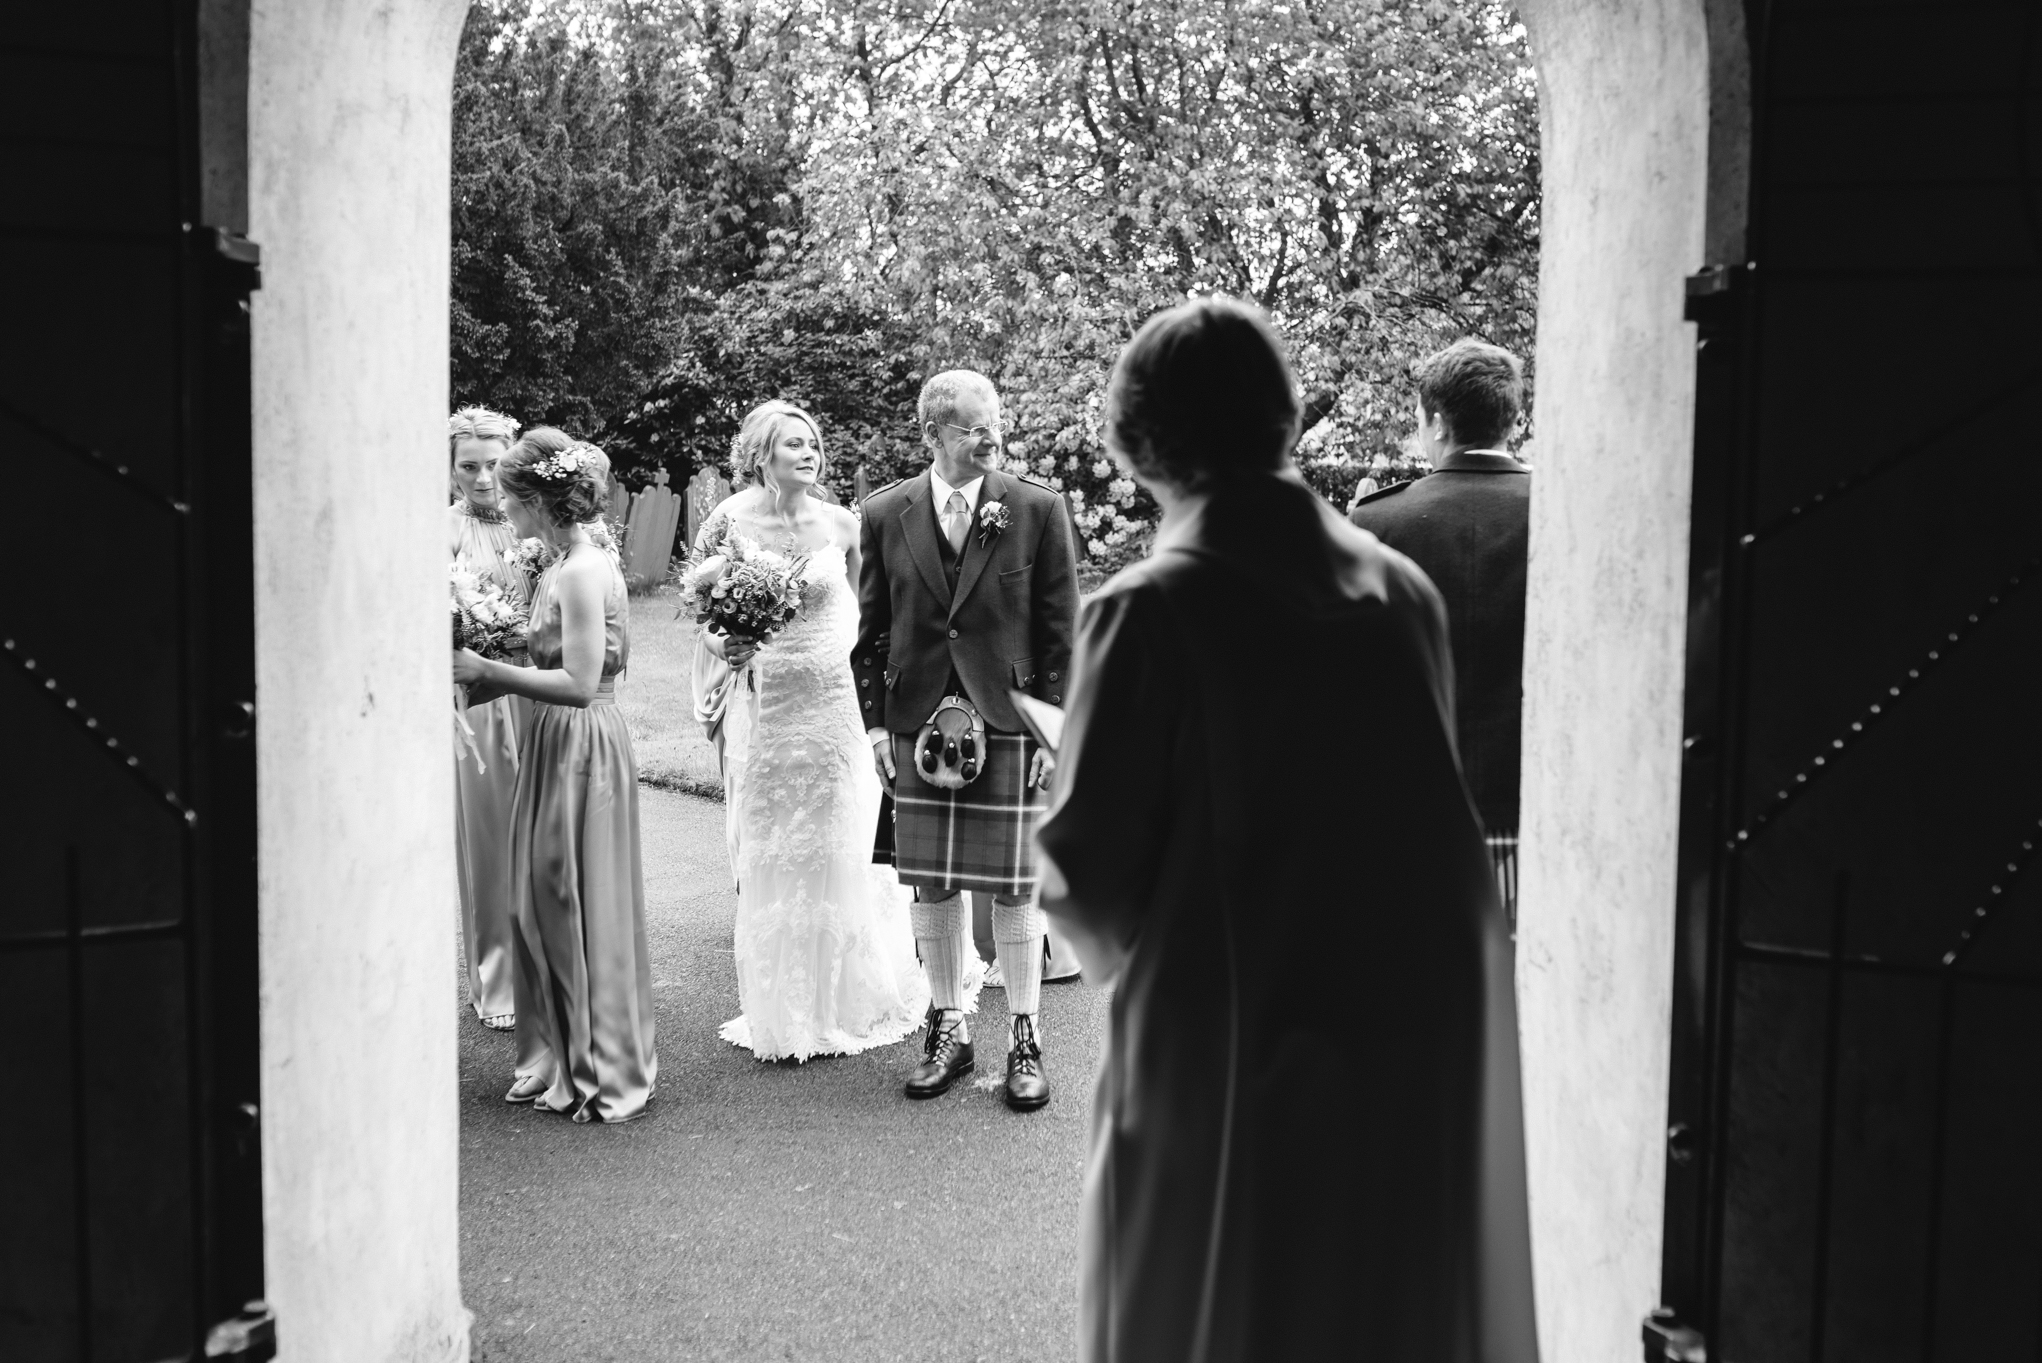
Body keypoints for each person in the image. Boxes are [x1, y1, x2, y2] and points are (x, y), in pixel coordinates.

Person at [1035, 298, 1539, 1362]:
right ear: (1282, 419)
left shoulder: (1149, 608)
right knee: (1377, 1293)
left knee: (1218, 1300)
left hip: (1225, 1039)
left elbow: (1086, 874)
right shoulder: (1394, 589)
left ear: (1142, 438)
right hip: (1403, 1026)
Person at [853, 370, 1080, 1111]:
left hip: (1011, 720)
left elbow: (1061, 633)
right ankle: (948, 1026)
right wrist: (880, 724)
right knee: (932, 882)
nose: (992, 438)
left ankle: (1025, 1034)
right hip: (919, 720)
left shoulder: (1037, 508)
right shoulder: (886, 512)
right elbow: (873, 631)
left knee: (1017, 883)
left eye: (997, 423)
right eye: (974, 428)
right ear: (932, 435)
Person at [694, 400, 932, 1062]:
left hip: (833, 695)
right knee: (778, 838)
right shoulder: (728, 521)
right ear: (762, 454)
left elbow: (866, 615)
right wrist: (727, 646)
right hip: (769, 698)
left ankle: (850, 993)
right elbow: (703, 616)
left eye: (813, 443)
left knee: (840, 833)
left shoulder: (840, 523)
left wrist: (883, 687)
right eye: (793, 444)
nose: (809, 453)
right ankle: (785, 1002)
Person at [452, 428, 657, 1123]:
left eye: (511, 500)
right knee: (541, 897)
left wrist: (484, 670)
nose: (505, 512)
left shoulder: (578, 570)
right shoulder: (563, 560)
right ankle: (558, 1053)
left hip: (580, 741)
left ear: (538, 500)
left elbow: (577, 680)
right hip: (554, 742)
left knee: (572, 895)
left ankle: (598, 1063)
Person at [1350, 339, 1531, 917]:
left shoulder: (1377, 521)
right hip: (1532, 801)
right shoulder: (1563, 510)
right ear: (1513, 420)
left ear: (1433, 421)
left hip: (1411, 809)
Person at [448, 405, 527, 1031]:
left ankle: (551, 968)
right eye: (468, 467)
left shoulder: (538, 524)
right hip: (479, 708)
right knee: (489, 843)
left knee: (548, 837)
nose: (481, 478)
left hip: (542, 696)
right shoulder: (439, 533)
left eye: (492, 464)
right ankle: (497, 978)